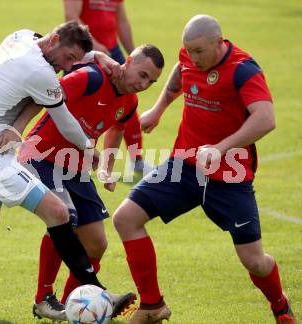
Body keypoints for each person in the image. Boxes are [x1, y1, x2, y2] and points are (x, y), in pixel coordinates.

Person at [112, 15, 296, 324]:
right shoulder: (190, 58)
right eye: (188, 50)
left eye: (198, 51)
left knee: (254, 262)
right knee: (126, 218)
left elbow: (266, 119)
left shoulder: (243, 70)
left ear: (218, 43)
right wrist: (158, 109)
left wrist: (221, 148)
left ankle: (280, 306)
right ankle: (152, 305)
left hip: (229, 177)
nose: (192, 58)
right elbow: (180, 70)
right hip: (184, 166)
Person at [0, 21, 122, 314]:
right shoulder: (40, 73)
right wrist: (90, 149)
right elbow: (65, 122)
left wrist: (95, 56)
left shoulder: (22, 38)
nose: (69, 67)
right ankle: (93, 292)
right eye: (69, 58)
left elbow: (61, 52)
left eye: (75, 61)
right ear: (56, 40)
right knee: (59, 212)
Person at [15, 44, 164, 321]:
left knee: (96, 243)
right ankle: (43, 299)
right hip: (41, 156)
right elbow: (45, 93)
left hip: (76, 168)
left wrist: (106, 167)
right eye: (142, 74)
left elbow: (117, 130)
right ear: (128, 61)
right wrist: (17, 129)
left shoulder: (129, 103)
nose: (143, 84)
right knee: (63, 217)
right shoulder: (90, 78)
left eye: (151, 81)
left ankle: (71, 305)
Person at [64, 0, 153, 174]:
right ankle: (64, 159)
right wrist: (95, 46)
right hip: (85, 51)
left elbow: (121, 21)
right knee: (74, 107)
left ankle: (136, 160)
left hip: (112, 51)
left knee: (128, 105)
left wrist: (137, 57)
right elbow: (71, 17)